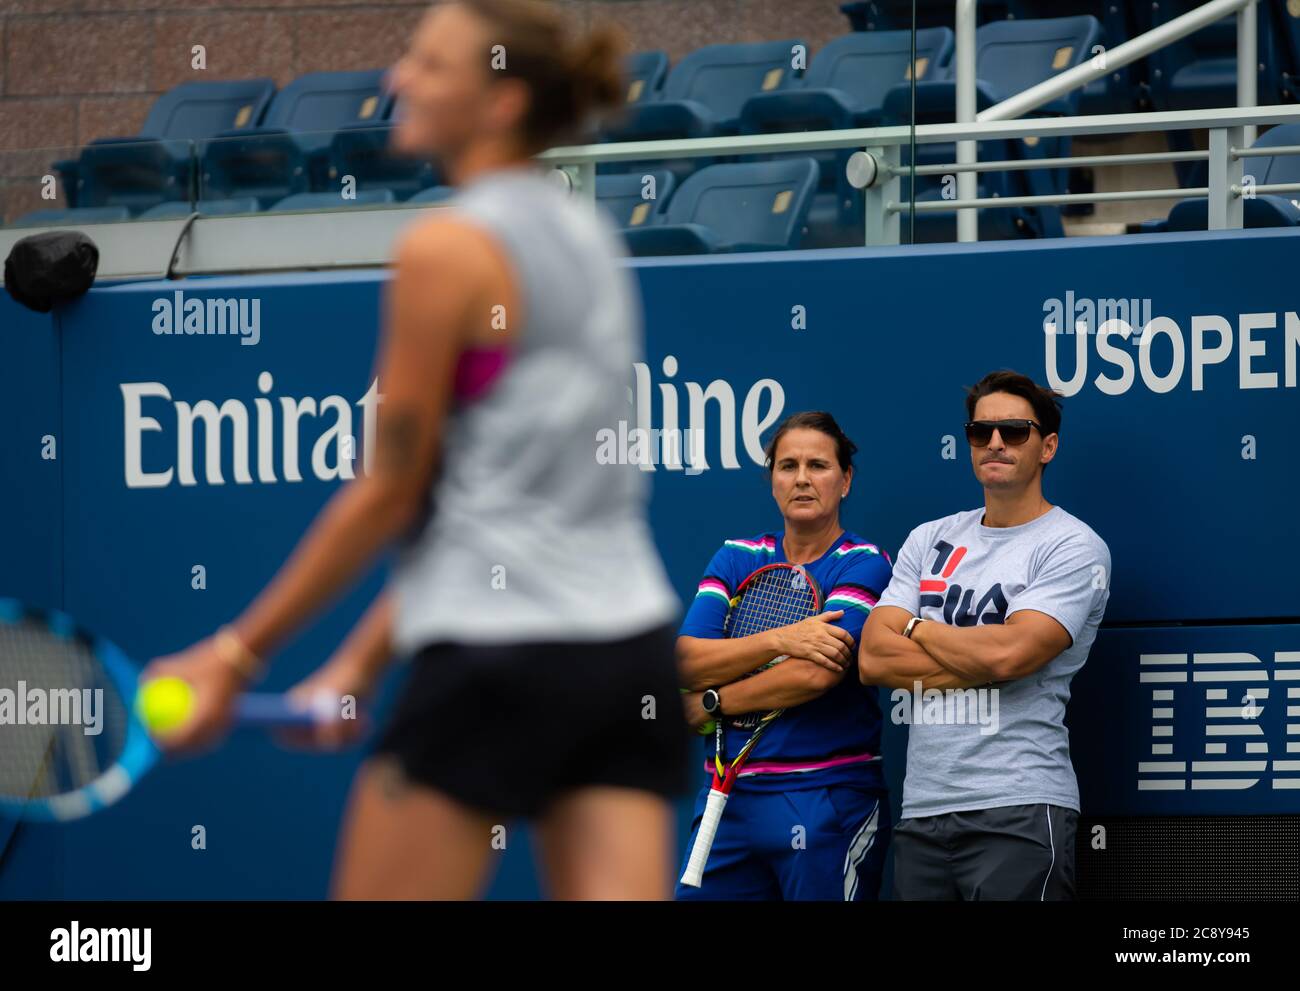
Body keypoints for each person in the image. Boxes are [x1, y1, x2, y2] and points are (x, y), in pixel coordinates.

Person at [144, 0, 689, 900]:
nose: (398, 79)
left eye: (431, 64)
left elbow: (394, 490)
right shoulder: (593, 241)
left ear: (503, 101)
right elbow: (485, 508)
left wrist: (234, 654)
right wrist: (358, 665)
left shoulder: (446, 248)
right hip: (623, 654)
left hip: (493, 663)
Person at [858, 369, 1111, 900]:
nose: (995, 443)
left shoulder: (1072, 545)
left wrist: (915, 627)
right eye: (980, 432)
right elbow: (874, 659)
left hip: (1018, 807)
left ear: (1048, 446)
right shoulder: (931, 538)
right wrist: (978, 658)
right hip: (923, 811)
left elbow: (1010, 655)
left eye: (1014, 431)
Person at [677, 411, 893, 900]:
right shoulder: (735, 556)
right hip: (727, 801)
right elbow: (687, 660)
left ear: (846, 481)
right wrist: (782, 639)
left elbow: (814, 675)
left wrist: (714, 702)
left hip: (824, 802)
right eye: (787, 465)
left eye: (817, 465)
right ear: (771, 479)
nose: (801, 478)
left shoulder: (863, 563)